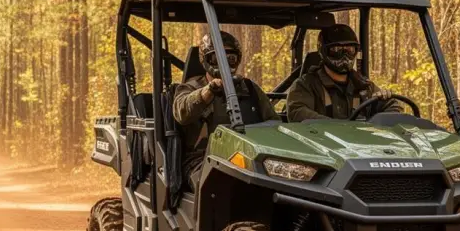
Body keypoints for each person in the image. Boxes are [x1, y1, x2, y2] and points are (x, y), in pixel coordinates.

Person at [172, 30, 278, 182]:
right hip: (203, 160)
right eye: (217, 58)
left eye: (231, 58)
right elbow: (181, 113)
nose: (225, 63)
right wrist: (208, 92)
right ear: (206, 60)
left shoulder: (249, 89)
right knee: (227, 183)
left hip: (248, 157)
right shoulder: (190, 87)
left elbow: (274, 123)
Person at [286, 23, 401, 123]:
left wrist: (376, 124)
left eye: (350, 50)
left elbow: (393, 107)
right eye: (337, 50)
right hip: (319, 140)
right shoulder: (306, 85)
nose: (344, 56)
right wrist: (338, 127)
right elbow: (297, 112)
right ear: (323, 52)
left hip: (359, 140)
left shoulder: (364, 86)